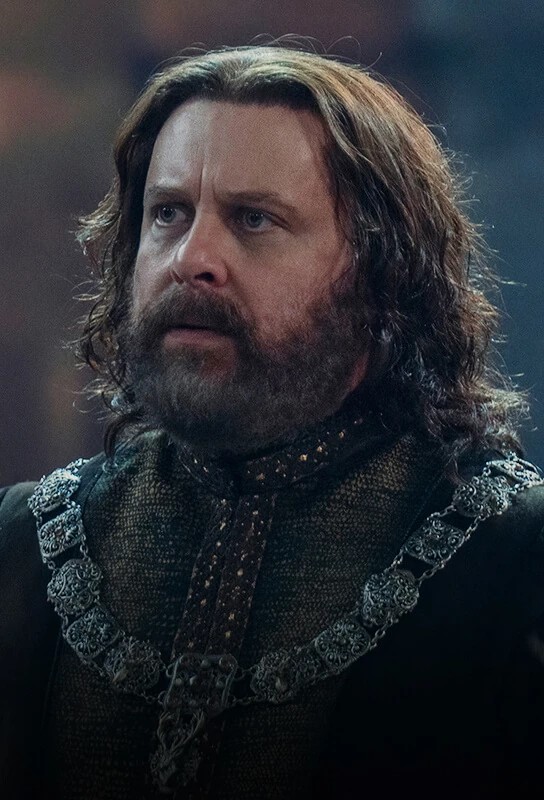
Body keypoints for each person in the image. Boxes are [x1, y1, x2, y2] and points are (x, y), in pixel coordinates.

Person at [1, 43, 543, 800]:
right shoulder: (22, 548)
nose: (193, 257)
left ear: (380, 273)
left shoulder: (515, 560)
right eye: (168, 214)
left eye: (254, 219)